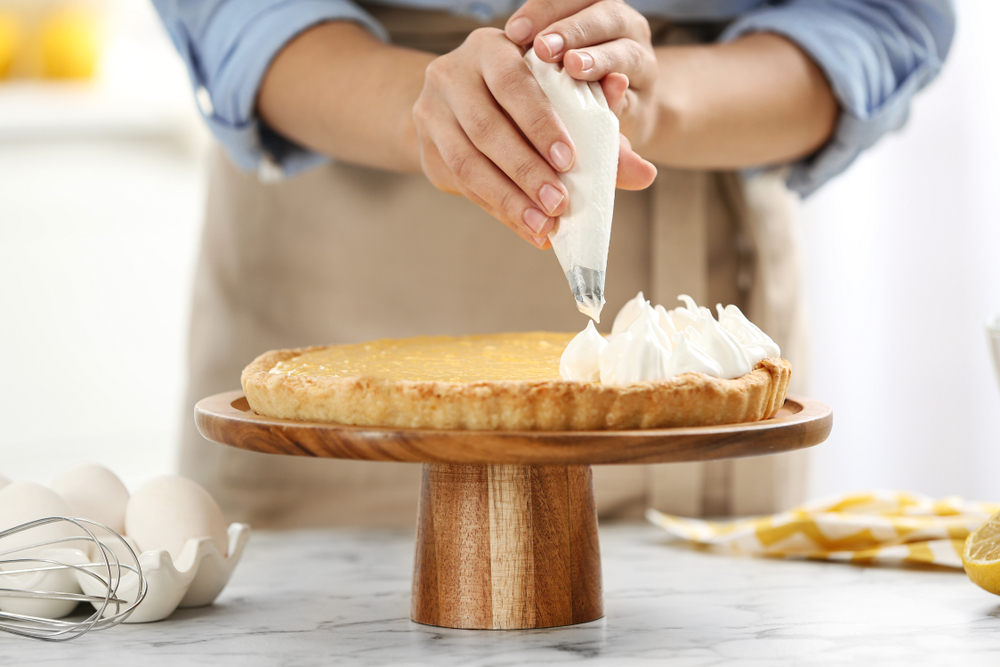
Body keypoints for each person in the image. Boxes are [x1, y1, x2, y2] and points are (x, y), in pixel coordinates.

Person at [152, 0, 954, 528]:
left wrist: (656, 99)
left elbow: (881, 14)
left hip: (704, 250)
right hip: (348, 250)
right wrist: (423, 115)